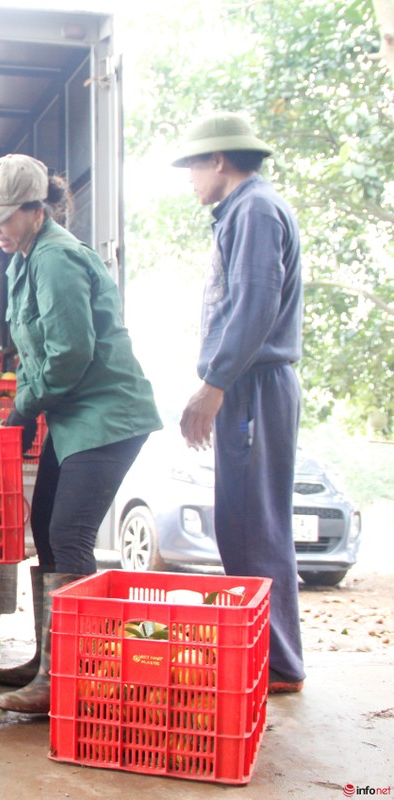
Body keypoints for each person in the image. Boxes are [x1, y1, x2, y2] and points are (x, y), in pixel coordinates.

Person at [0, 154, 162, 714]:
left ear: (34, 208)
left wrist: (19, 416)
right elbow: (35, 354)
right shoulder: (23, 258)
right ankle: (48, 660)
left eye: (4, 217)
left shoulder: (56, 258)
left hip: (107, 416)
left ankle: (71, 676)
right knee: (45, 531)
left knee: (69, 535)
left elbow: (70, 357)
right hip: (72, 417)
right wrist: (24, 416)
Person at [172, 112, 305, 694]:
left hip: (253, 382)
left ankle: (278, 663)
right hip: (251, 382)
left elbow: (254, 303)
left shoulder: (253, 209)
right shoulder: (246, 210)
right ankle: (271, 655)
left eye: (193, 167)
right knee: (244, 519)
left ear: (218, 161)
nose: (191, 181)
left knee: (253, 523)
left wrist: (215, 383)